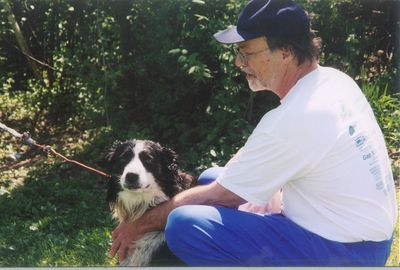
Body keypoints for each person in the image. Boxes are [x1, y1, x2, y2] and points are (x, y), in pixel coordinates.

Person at [109, 0, 397, 266]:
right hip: (364, 235)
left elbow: (222, 196)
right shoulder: (333, 81)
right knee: (212, 176)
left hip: (346, 252)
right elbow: (242, 168)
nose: (239, 62)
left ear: (285, 52)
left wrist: (141, 223)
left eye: (247, 52)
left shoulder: (297, 116)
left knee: (186, 224)